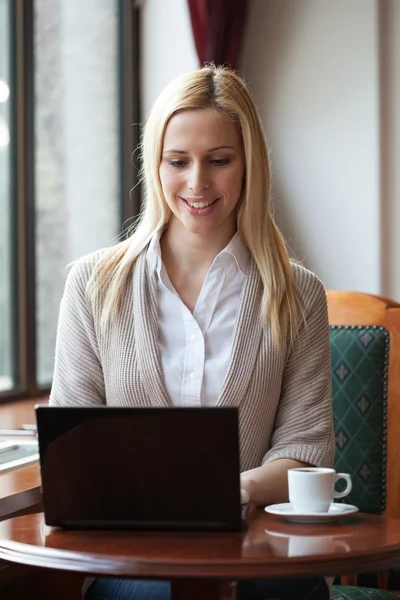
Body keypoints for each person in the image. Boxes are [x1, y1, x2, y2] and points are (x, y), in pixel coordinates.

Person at [50, 64, 334, 600]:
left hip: (261, 556)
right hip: (131, 560)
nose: (197, 183)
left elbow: (307, 447)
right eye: (178, 161)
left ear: (250, 165)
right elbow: (71, 448)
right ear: (155, 166)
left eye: (219, 161)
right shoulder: (93, 285)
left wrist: (235, 491)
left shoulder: (299, 294)